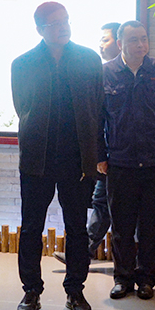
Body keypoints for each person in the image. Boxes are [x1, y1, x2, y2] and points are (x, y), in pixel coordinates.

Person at [11, 1, 103, 310]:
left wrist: (96, 155)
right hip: (38, 159)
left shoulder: (89, 59)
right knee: (31, 227)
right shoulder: (23, 63)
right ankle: (31, 291)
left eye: (65, 21)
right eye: (54, 24)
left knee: (77, 228)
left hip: (78, 160)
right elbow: (22, 107)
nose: (63, 27)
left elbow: (98, 108)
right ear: (40, 29)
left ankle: (75, 290)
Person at [100, 20, 155, 300]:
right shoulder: (106, 73)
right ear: (120, 44)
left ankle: (147, 279)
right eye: (134, 40)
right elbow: (97, 119)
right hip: (121, 163)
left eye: (144, 39)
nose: (141, 45)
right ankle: (122, 279)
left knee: (152, 227)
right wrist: (100, 155)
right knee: (122, 227)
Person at [55, 21, 120, 265]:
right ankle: (85, 251)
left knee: (107, 203)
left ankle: (88, 252)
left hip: (120, 153)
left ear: (119, 42)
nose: (100, 45)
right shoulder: (99, 71)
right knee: (101, 202)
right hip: (102, 152)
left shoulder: (114, 75)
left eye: (105, 39)